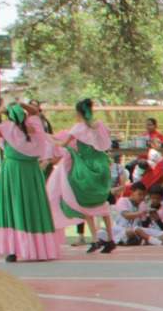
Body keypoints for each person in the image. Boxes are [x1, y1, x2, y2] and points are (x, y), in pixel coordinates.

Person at [0, 101, 61, 262]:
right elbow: (35, 111)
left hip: (13, 171)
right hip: (31, 171)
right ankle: (38, 248)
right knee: (32, 205)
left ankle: (13, 249)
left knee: (15, 206)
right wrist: (21, 103)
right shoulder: (35, 126)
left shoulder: (8, 130)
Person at [48, 99, 117, 254]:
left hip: (86, 167)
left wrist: (50, 139)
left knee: (84, 201)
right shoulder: (100, 125)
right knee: (101, 202)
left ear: (78, 113)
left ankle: (95, 238)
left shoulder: (78, 128)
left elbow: (64, 144)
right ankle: (109, 238)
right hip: (101, 165)